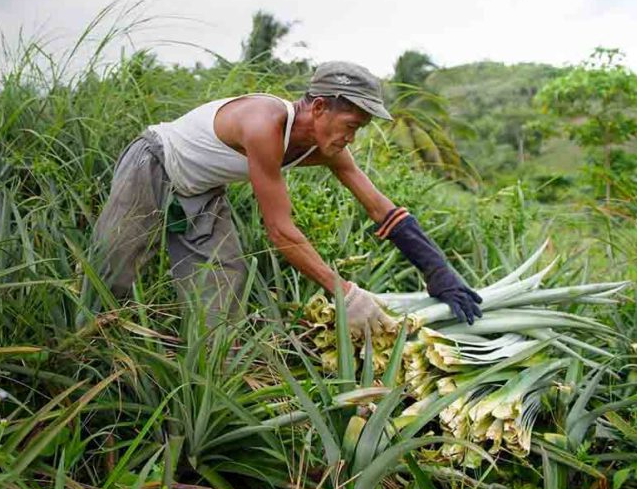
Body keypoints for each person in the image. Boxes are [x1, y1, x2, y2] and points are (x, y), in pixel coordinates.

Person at [88, 61, 482, 333]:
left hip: (202, 191)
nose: (351, 137)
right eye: (350, 125)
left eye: (359, 129)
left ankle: (208, 384)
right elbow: (280, 231)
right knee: (112, 272)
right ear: (320, 107)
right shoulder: (264, 124)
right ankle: (86, 354)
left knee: (223, 290)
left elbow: (380, 207)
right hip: (154, 163)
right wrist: (344, 293)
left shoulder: (326, 148)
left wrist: (437, 269)